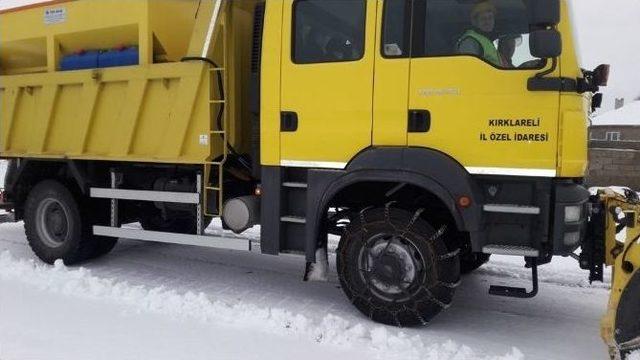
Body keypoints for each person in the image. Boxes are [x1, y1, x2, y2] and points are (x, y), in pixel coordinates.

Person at [457, 0, 501, 67]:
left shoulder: (485, 40)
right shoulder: (470, 41)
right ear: (475, 22)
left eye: (490, 18)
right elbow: (470, 68)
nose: (488, 22)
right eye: (483, 19)